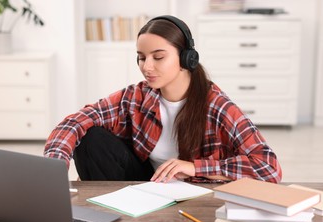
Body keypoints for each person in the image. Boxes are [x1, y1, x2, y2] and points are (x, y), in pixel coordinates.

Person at [44, 15, 282, 184]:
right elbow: (77, 120)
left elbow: (269, 167)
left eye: (158, 57)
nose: (147, 67)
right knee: (90, 137)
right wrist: (53, 167)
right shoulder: (137, 95)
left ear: (187, 58)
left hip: (197, 192)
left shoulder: (216, 105)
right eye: (141, 57)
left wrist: (194, 167)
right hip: (149, 186)